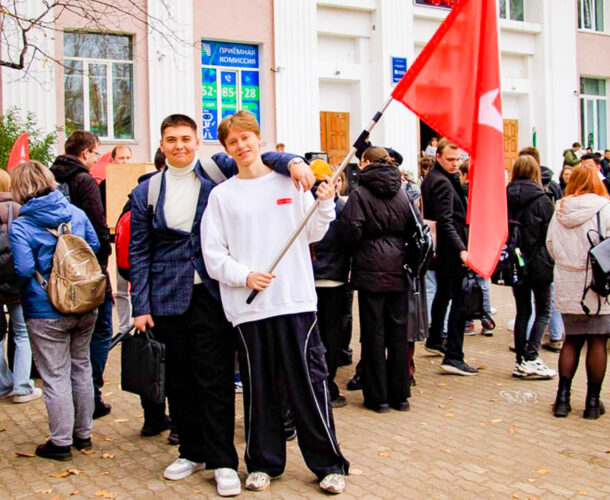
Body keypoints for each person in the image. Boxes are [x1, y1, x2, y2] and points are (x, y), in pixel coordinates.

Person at [129, 113, 314, 497]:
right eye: (170, 139)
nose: (179, 145)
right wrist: (140, 305)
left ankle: (222, 460)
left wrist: (296, 161)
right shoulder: (147, 190)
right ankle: (190, 451)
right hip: (166, 298)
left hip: (212, 294)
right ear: (161, 145)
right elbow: (140, 251)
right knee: (178, 382)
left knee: (214, 379)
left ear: (198, 142)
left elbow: (261, 157)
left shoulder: (217, 171)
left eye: (185, 138)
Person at [202, 110, 348, 494]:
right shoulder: (221, 195)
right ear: (226, 149)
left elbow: (313, 231)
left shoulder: (289, 181)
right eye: (233, 142)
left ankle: (329, 464)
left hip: (295, 302)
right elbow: (213, 255)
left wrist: (326, 203)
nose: (241, 146)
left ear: (259, 138)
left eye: (246, 138)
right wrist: (244, 276)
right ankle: (264, 462)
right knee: (259, 387)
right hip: (248, 308)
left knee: (309, 385)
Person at [8, 160, 99, 460]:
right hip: (85, 303)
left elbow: (22, 268)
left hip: (46, 309)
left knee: (55, 374)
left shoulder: (22, 224)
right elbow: (94, 246)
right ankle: (83, 434)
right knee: (81, 366)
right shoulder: (76, 213)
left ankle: (60, 442)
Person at [338, 146, 414, 411]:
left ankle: (377, 397)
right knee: (398, 333)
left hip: (370, 269)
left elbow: (351, 231)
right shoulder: (403, 192)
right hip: (398, 267)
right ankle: (400, 396)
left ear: (366, 163)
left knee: (373, 334)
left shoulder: (359, 194)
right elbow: (413, 228)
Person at [50, 130, 113, 420]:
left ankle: (72, 401)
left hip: (58, 272)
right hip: (87, 270)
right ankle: (92, 394)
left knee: (68, 344)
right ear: (86, 152)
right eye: (95, 153)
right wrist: (101, 264)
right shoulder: (84, 180)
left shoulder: (50, 177)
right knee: (100, 331)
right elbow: (97, 227)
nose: (97, 158)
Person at [546, 164, 610, 419]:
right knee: (597, 340)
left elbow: (550, 244)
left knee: (571, 340)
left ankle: (563, 398)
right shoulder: (604, 208)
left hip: (567, 280)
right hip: (596, 282)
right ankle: (592, 403)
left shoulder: (560, 208)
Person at [421, 138, 477, 376]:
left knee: (444, 294)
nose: (455, 164)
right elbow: (445, 221)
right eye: (451, 160)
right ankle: (454, 354)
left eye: (458, 160)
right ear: (438, 157)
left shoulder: (437, 178)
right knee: (459, 301)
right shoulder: (442, 182)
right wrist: (461, 249)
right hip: (450, 251)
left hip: (442, 250)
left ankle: (435, 338)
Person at [506, 155, 556, 379]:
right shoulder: (543, 199)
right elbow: (549, 235)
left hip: (516, 260)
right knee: (543, 310)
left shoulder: (505, 196)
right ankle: (531, 356)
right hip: (539, 262)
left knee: (523, 311)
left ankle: (520, 360)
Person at [309, 159, 350, 409]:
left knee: (315, 336)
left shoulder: (304, 204)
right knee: (330, 336)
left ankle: (318, 384)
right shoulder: (339, 208)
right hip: (332, 279)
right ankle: (327, 385)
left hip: (312, 280)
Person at [0, 169, 42, 404]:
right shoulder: (17, 210)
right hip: (16, 282)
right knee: (22, 333)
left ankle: (3, 383)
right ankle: (22, 386)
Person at [108, 146, 133, 337]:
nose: (125, 162)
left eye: (127, 158)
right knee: (122, 289)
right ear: (113, 160)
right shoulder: (108, 185)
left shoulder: (136, 179)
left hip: (134, 243)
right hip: (120, 245)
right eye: (121, 158)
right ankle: (124, 328)